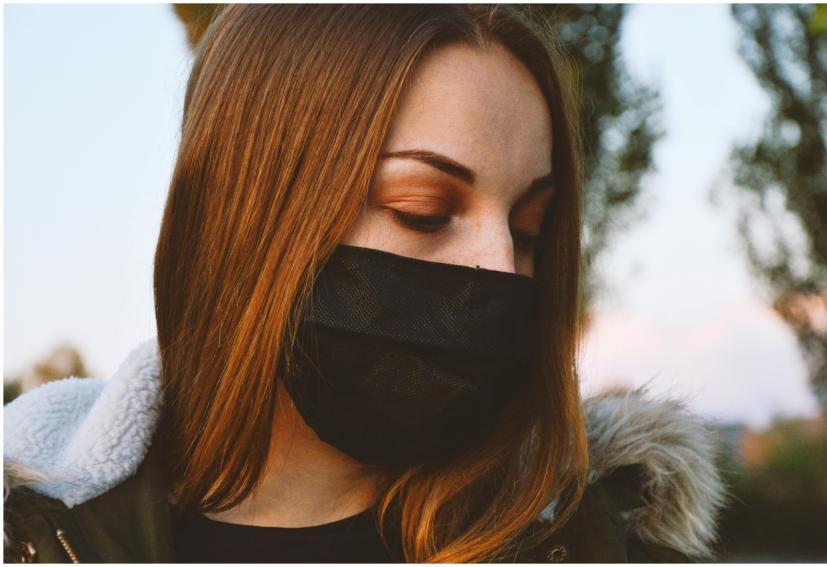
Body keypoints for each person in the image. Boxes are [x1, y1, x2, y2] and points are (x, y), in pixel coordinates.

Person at [4, 5, 728, 563]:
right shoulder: (40, 533)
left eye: (530, 228)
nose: (503, 268)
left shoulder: (599, 543)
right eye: (424, 211)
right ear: (249, 218)